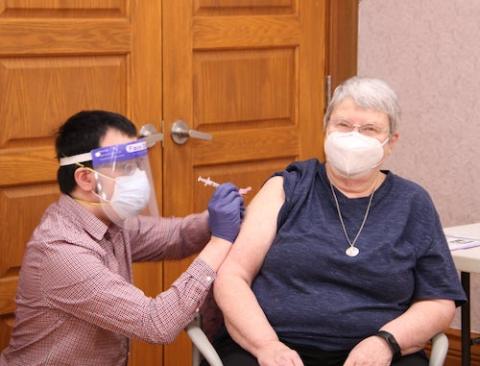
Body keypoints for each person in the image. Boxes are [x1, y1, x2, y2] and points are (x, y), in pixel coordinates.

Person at [213, 77, 466, 366]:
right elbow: (232, 276)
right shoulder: (287, 188)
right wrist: (266, 345)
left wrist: (386, 342)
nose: (353, 137)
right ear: (326, 128)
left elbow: (438, 300)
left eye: (369, 129)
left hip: (379, 350)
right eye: (343, 125)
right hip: (275, 345)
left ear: (391, 141)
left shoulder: (412, 202)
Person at [0, 110, 244, 366]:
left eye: (138, 165)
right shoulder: (61, 251)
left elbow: (176, 237)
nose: (138, 176)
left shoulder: (109, 221)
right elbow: (156, 323)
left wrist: (213, 219)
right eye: (126, 167)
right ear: (86, 178)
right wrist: (220, 241)